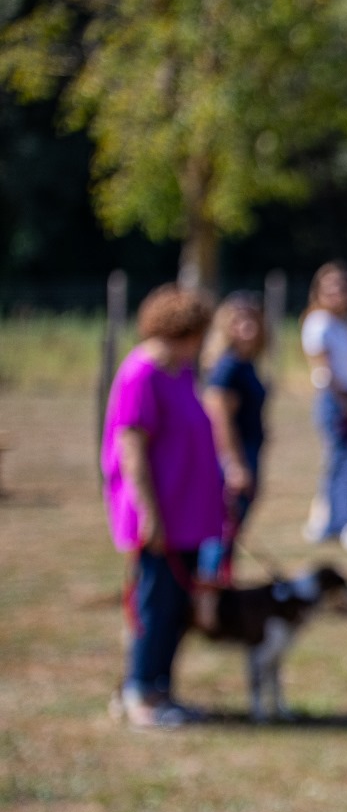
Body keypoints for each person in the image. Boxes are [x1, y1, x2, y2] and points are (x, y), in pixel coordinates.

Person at [102, 284, 226, 728]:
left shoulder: (180, 371)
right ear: (182, 331)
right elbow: (131, 446)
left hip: (189, 516)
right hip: (159, 516)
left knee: (176, 609)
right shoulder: (141, 373)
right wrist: (148, 513)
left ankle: (161, 691)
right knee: (153, 606)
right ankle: (138, 692)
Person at [301, 262, 347, 552]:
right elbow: (324, 368)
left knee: (340, 458)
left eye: (342, 286)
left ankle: (329, 522)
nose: (337, 292)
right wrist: (344, 401)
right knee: (346, 461)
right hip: (334, 396)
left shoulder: (344, 323)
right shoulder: (320, 323)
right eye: (330, 287)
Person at [202, 291, 269, 584]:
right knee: (223, 526)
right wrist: (234, 464)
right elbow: (219, 417)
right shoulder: (227, 367)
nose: (247, 328)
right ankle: (211, 588)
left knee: (233, 525)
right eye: (239, 322)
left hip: (250, 449)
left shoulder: (246, 363)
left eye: (252, 321)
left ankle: (222, 586)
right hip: (234, 455)